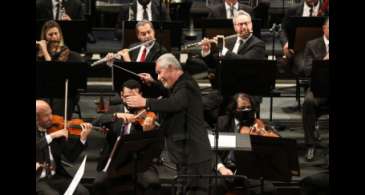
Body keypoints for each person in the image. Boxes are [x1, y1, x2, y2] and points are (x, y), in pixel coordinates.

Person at [125, 53, 212, 195]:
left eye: (159, 72)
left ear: (171, 68)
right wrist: (153, 82)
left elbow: (175, 103)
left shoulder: (187, 86)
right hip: (187, 154)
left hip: (194, 155)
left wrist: (146, 102)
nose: (159, 77)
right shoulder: (181, 84)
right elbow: (169, 92)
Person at [91, 79, 159, 195]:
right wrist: (116, 116)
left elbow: (156, 145)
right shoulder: (113, 110)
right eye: (128, 96)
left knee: (153, 184)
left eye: (135, 96)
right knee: (98, 184)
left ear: (141, 95)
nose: (131, 100)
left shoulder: (149, 113)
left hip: (139, 161)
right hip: (114, 162)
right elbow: (95, 123)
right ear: (122, 96)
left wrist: (148, 132)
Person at [212, 93, 279, 195]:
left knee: (269, 189)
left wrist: (262, 134)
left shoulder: (257, 124)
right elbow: (210, 149)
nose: (246, 111)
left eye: (249, 107)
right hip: (225, 168)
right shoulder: (222, 122)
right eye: (242, 108)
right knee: (215, 186)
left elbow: (279, 141)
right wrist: (221, 167)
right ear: (234, 110)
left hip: (249, 171)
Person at [36, 100, 92, 195]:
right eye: (46, 115)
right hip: (38, 179)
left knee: (83, 192)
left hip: (56, 176)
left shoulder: (55, 130)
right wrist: (52, 136)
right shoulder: (54, 134)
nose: (51, 118)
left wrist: (82, 139)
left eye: (51, 113)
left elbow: (71, 157)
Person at [302, 17, 329, 161]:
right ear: (324, 28)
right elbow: (307, 70)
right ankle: (310, 145)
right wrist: (325, 60)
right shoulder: (312, 45)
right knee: (308, 102)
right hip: (319, 86)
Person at [279, 0, 323, 75]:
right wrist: (286, 43)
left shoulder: (326, 9)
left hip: (324, 48)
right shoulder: (293, 10)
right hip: (301, 50)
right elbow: (283, 29)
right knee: (304, 67)